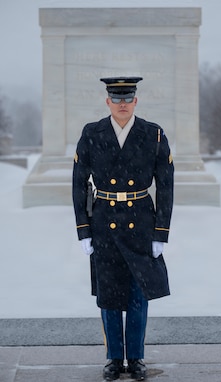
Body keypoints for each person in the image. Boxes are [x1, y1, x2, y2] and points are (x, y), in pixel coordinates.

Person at [72, 77, 174, 381]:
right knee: (109, 295)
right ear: (107, 102)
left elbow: (166, 186)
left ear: (136, 101)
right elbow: (79, 182)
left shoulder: (153, 134)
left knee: (138, 295)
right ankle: (114, 358)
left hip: (140, 222)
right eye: (116, 99)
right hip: (103, 222)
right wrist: (83, 229)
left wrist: (161, 232)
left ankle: (136, 357)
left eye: (127, 98)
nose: (122, 104)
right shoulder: (92, 133)